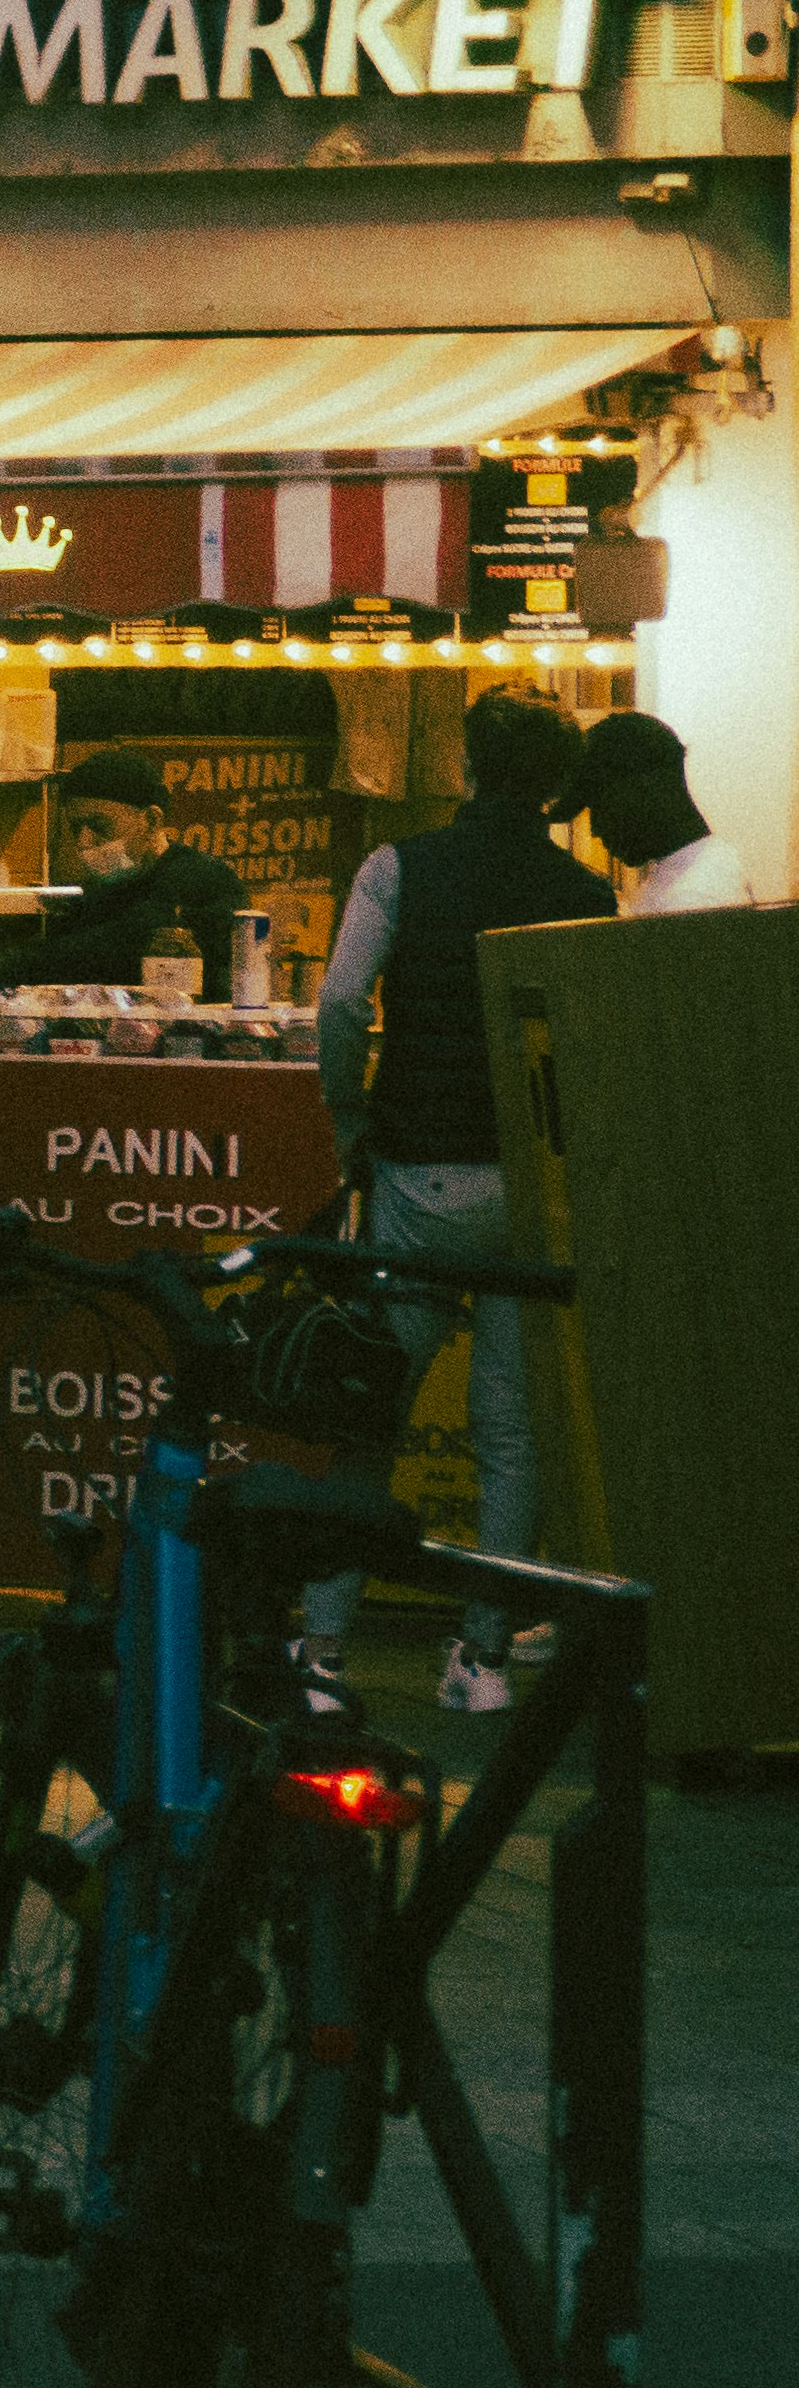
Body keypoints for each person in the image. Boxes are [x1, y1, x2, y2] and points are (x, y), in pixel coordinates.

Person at [314, 683, 613, 1709]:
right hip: (532, 1186)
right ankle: (481, 1659)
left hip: (420, 1175)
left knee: (374, 1415)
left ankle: (321, 1656)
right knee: (513, 1435)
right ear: (554, 784)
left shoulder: (401, 866)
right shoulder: (585, 891)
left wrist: (350, 1115)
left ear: (466, 765)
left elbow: (342, 999)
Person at [0, 750, 249, 996]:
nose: (84, 842)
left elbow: (118, 942)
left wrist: (5, 966)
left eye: (99, 826)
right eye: (76, 828)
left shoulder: (202, 879)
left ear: (150, 820)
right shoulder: (101, 892)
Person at [570, 711, 751, 913]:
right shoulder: (701, 867)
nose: (595, 829)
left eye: (599, 807)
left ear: (642, 789)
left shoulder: (691, 901)